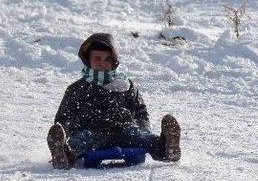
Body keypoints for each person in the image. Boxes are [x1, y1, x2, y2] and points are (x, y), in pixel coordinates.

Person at [47, 33, 181, 169]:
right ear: (88, 59)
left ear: (114, 61)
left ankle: (166, 148)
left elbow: (140, 111)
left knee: (143, 138)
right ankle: (63, 155)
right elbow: (64, 117)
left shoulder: (125, 85)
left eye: (107, 59)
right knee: (79, 142)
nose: (102, 63)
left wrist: (143, 129)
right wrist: (67, 131)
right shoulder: (77, 88)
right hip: (92, 130)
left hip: (124, 129)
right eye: (97, 58)